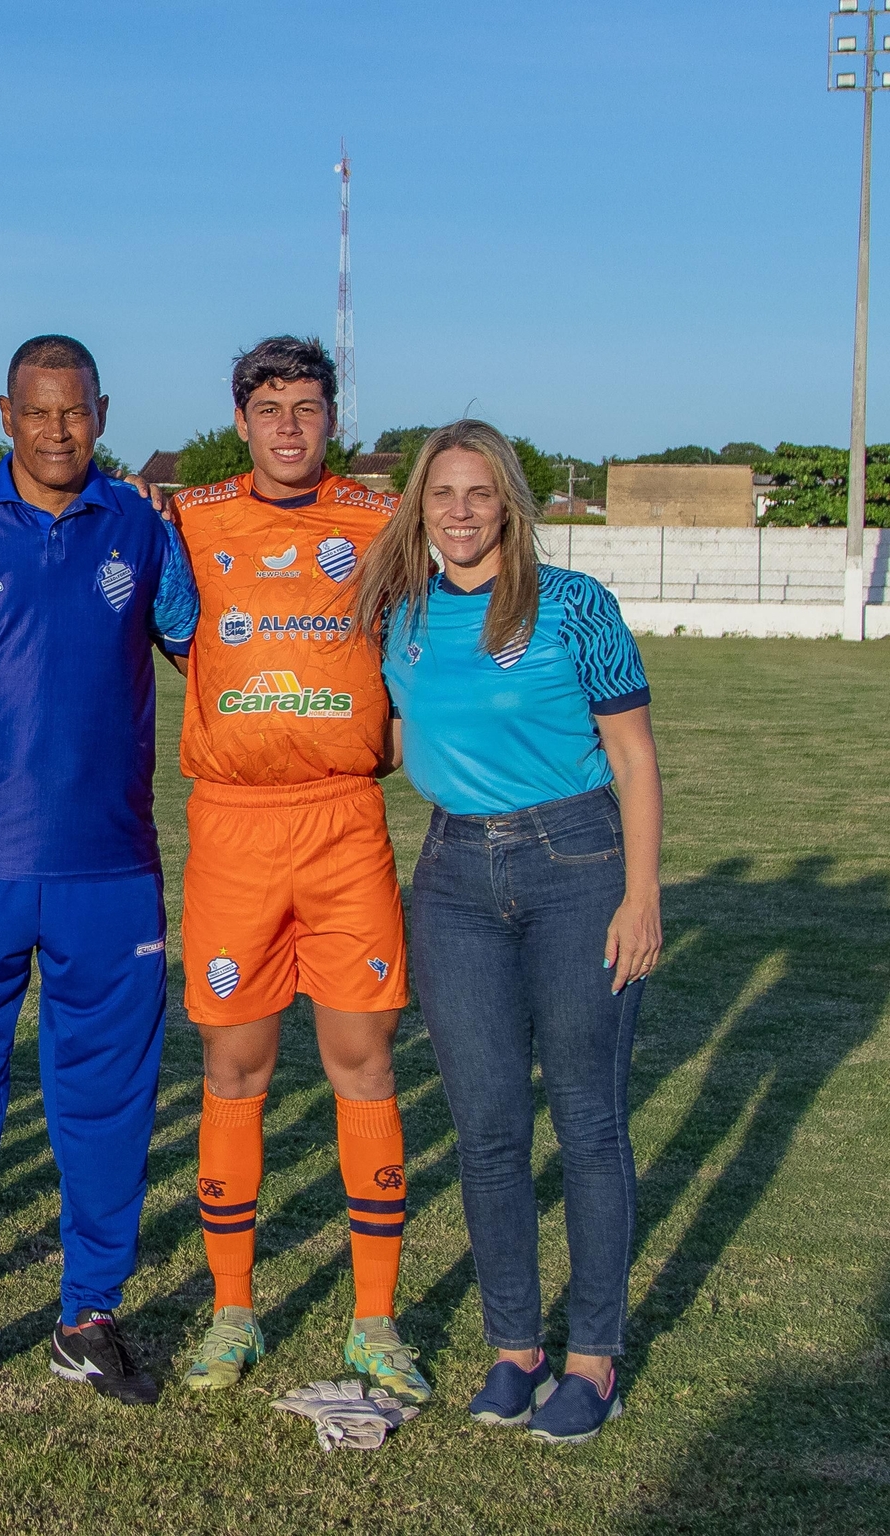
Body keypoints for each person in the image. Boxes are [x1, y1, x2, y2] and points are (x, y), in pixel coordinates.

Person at [0, 335, 198, 1407]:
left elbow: (212, 654)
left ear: (102, 412)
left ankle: (89, 1315)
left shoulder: (144, 530)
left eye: (76, 411)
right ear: (5, 414)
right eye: (37, 411)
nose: (57, 431)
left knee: (106, 1102)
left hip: (107, 868)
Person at [352, 419, 663, 1447]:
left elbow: (634, 758)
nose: (460, 511)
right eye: (442, 492)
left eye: (480, 492)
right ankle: (515, 1350)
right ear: (419, 505)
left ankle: (593, 1360)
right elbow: (391, 737)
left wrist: (642, 895)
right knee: (486, 1131)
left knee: (587, 1121)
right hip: (452, 879)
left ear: (510, 504)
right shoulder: (400, 614)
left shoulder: (574, 605)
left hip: (577, 865)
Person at [166, 336, 430, 1404]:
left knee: (362, 1059)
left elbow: (433, 635)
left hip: (342, 822)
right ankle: (233, 1310)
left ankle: (375, 1321)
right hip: (232, 827)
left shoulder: (379, 522)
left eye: (307, 408)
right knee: (235, 1067)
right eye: (269, 408)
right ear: (240, 421)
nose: (288, 426)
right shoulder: (189, 520)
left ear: (333, 418)